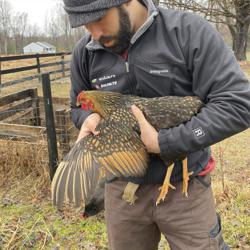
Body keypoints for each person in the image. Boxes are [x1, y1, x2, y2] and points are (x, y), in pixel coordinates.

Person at [62, 0, 250, 249]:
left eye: (98, 19)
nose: (94, 34)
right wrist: (88, 118)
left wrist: (167, 142)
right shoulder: (85, 52)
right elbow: (76, 108)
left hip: (186, 188)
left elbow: (238, 103)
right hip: (123, 191)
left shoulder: (188, 31)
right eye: (85, 24)